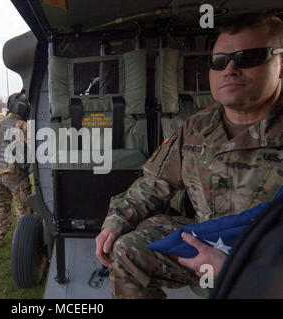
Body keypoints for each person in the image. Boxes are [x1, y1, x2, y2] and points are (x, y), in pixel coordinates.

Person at [95, 13, 283, 298]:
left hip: (266, 267)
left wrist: (241, 270)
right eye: (219, 61)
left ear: (280, 65)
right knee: (126, 251)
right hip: (205, 241)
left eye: (249, 57)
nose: (230, 69)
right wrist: (116, 220)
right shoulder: (197, 127)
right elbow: (153, 184)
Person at [0, 91, 33, 246]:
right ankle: (26, 242)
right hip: (16, 175)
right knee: (24, 210)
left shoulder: (0, 123)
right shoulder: (23, 126)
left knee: (1, 207)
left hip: (0, 173)